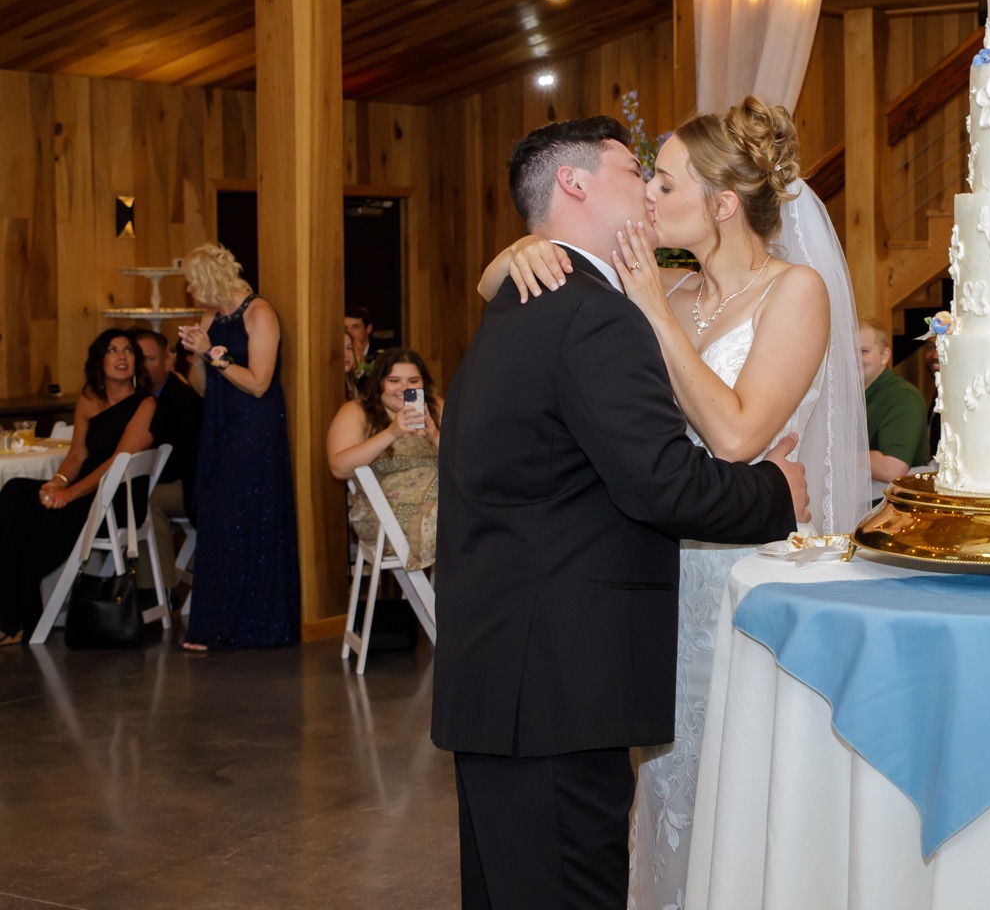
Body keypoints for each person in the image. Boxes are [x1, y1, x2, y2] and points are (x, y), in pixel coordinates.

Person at [478, 98, 870, 909]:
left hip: (744, 574)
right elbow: (519, 287)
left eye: (662, 180)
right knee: (666, 791)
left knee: (739, 781)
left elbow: (734, 435)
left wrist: (655, 311)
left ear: (722, 203)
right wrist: (521, 250)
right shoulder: (670, 287)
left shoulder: (792, 293)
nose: (647, 197)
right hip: (659, 573)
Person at [177, 242, 299, 650]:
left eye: (192, 282)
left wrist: (212, 355)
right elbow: (200, 388)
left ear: (209, 279)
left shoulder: (259, 312)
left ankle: (252, 625)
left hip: (254, 428)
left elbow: (260, 383)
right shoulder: (211, 315)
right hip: (220, 425)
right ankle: (215, 623)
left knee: (249, 517)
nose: (190, 290)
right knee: (215, 517)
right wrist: (196, 357)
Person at [0, 330, 157, 644]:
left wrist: (69, 494)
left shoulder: (146, 404)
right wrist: (55, 484)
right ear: (100, 361)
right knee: (16, 494)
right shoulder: (89, 398)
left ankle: (14, 620)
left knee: (29, 529)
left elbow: (116, 463)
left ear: (135, 361)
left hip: (116, 500)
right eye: (113, 350)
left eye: (128, 350)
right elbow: (77, 456)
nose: (122, 356)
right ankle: (17, 617)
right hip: (85, 491)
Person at [327, 348, 441, 571]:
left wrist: (435, 436)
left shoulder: (436, 408)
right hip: (386, 514)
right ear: (380, 383)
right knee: (464, 517)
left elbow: (469, 462)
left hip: (443, 500)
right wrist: (392, 432)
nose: (404, 389)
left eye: (413, 381)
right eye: (394, 380)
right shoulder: (357, 411)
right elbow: (339, 468)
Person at [128, 328, 205, 596]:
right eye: (137, 359)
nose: (142, 366)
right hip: (160, 479)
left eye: (149, 359)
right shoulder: (134, 397)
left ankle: (158, 591)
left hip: (191, 485)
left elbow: (177, 463)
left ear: (166, 362)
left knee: (147, 500)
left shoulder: (181, 400)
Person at [860, 317, 931, 494]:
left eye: (863, 351)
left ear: (884, 356)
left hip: (890, 507)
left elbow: (892, 468)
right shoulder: (847, 392)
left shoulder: (903, 396)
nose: (854, 359)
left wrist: (839, 453)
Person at [343, 305, 377, 393]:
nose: (349, 332)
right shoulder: (340, 353)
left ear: (368, 329)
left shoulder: (382, 353)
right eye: (345, 328)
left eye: (355, 327)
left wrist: (361, 364)